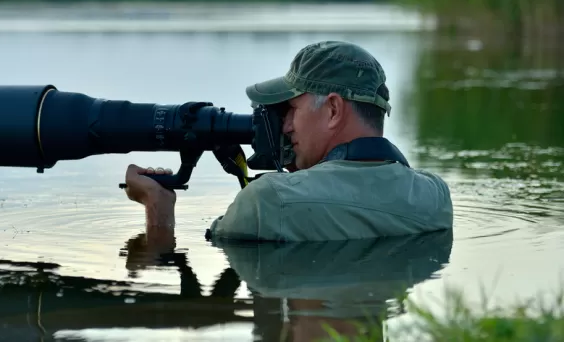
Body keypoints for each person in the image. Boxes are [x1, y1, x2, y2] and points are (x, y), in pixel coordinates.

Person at [124, 40, 453, 242]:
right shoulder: (434, 195)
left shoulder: (268, 201)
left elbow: (274, 215)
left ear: (334, 110)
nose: (287, 126)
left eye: (290, 109)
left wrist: (158, 207)